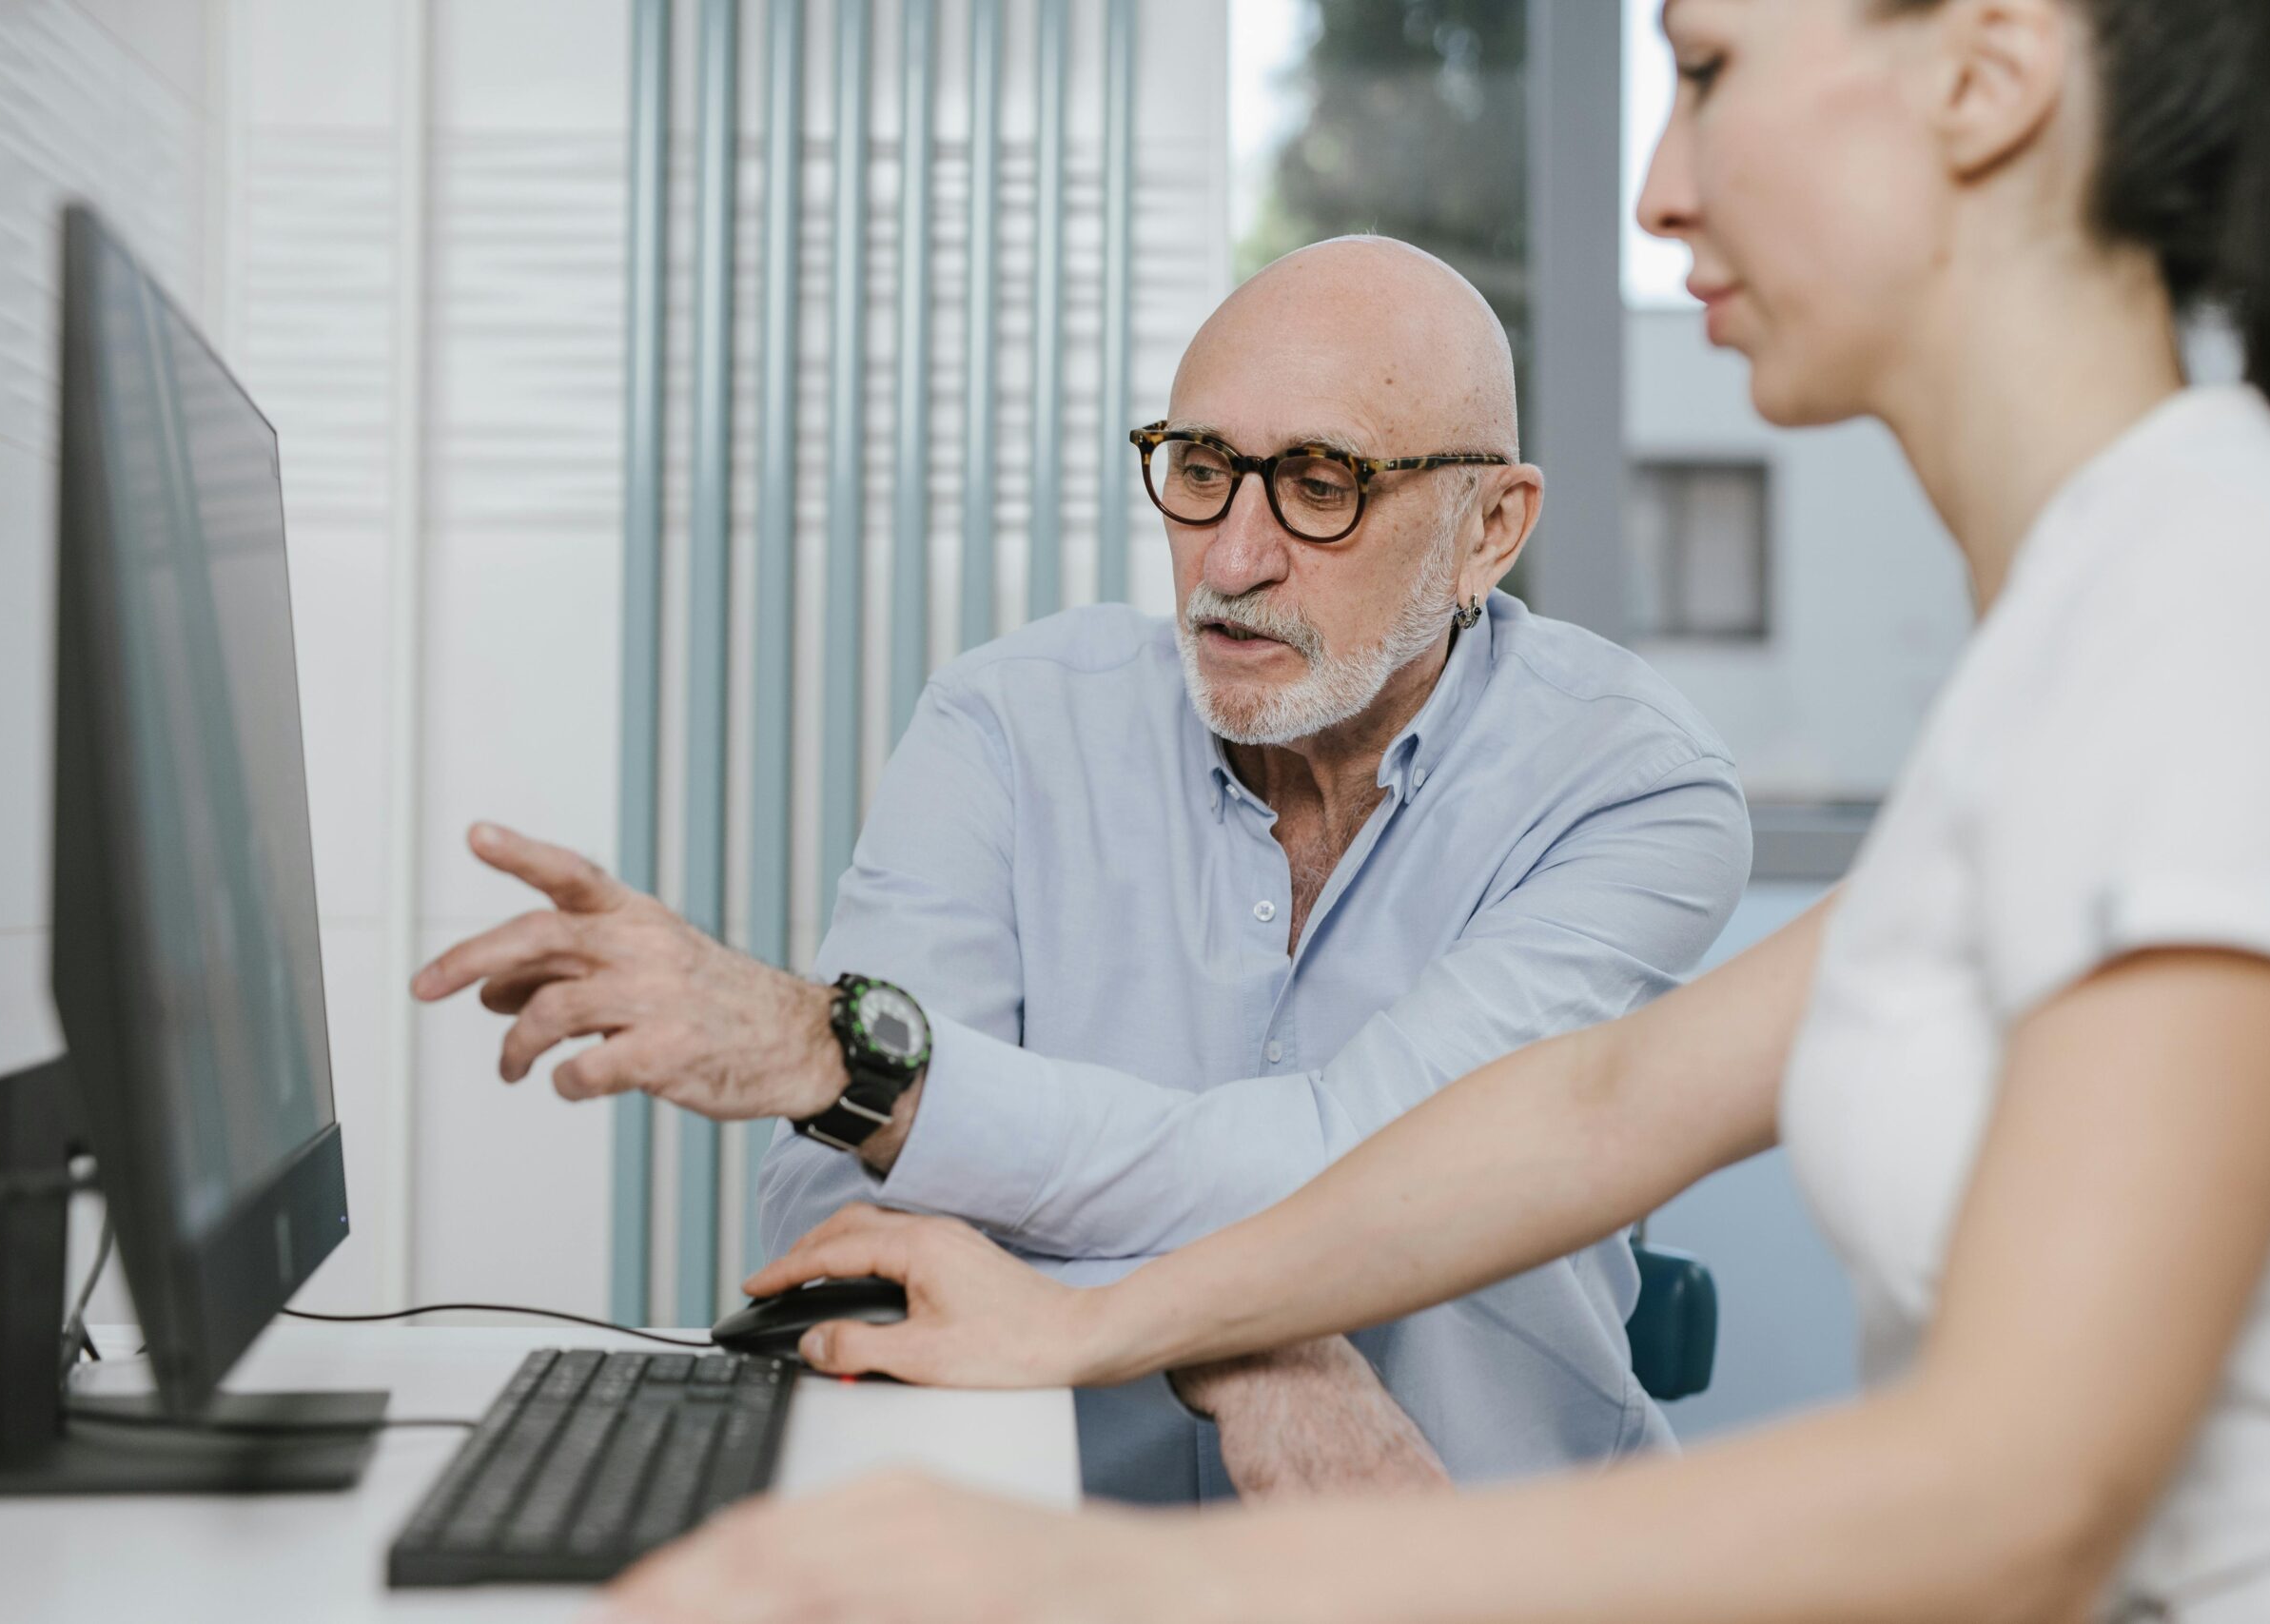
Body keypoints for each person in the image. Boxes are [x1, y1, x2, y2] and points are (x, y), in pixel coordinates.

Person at [586, 0, 2270, 1619]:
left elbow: (2023, 1496)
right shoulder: (2079, 633)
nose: (1659, 192)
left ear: (1987, 77)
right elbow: (1589, 1115)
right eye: (1202, 473)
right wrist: (1123, 1327)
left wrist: (1107, 1582)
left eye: (1711, 69)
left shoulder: (2208, 594)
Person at [412, 239, 1752, 1501]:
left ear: (1489, 528)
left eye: (1324, 484)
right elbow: (845, 1213)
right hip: (1052, 1556)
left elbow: (1369, 1169)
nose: (1231, 557)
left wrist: (856, 1066)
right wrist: (1249, 1341)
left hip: (1482, 1559)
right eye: (1201, 466)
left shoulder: (1631, 790)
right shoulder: (1008, 724)